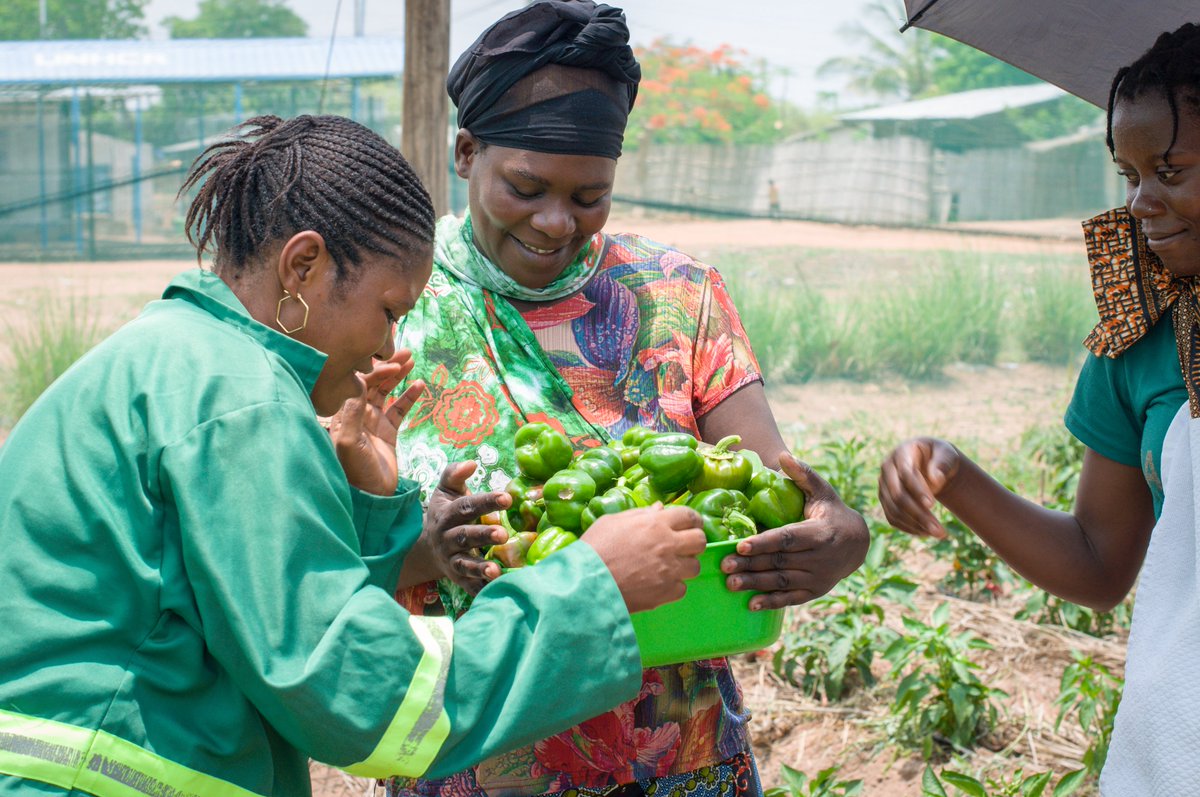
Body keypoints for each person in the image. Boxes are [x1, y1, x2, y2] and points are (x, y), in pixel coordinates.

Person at [0, 114, 711, 796]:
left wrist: (373, 522)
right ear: (304, 266)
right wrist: (593, 587)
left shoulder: (181, 358)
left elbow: (233, 603)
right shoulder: (243, 400)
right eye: (391, 310)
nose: (387, 348)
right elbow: (359, 696)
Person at [386, 3, 870, 796]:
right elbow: (315, 552)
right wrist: (420, 544)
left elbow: (764, 489)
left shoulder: (676, 295)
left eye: (589, 197)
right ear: (466, 153)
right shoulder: (395, 304)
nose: (554, 223)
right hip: (478, 753)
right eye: (526, 187)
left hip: (681, 751)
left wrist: (835, 534)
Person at [877, 23, 1200, 795]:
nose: (1141, 200)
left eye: (1172, 168)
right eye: (1128, 171)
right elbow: (1097, 562)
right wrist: (954, 476)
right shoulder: (1137, 341)